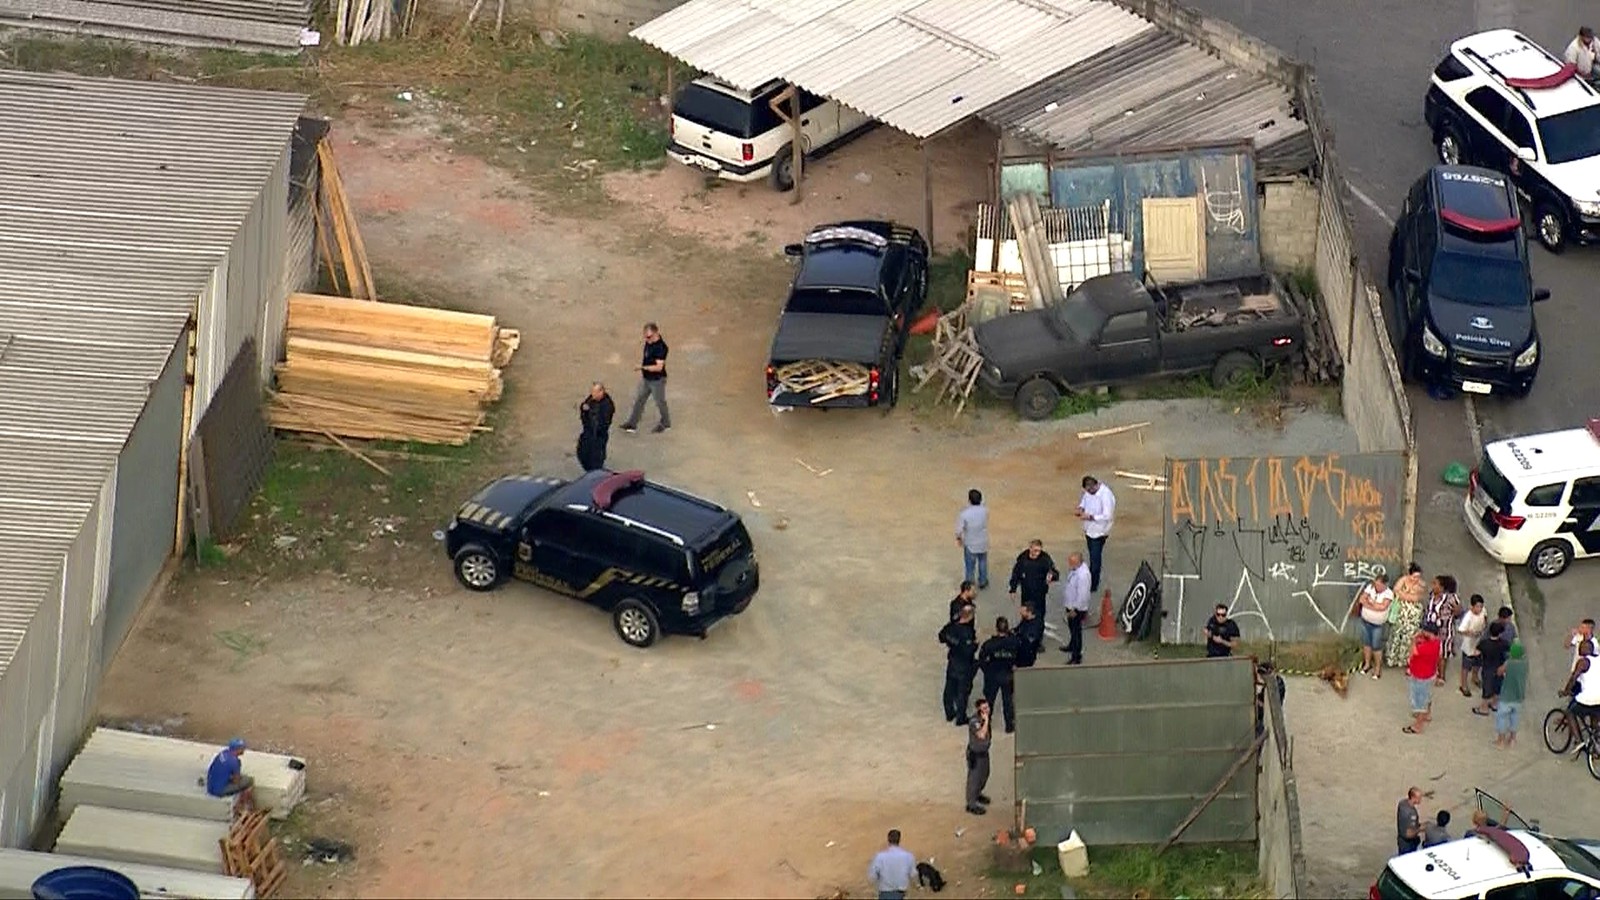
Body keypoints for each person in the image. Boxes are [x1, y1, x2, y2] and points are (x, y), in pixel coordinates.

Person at [619, 322, 670, 434]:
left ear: (656, 333)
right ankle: (632, 424)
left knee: (660, 402)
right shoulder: (649, 342)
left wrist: (642, 367)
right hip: (647, 379)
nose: (647, 339)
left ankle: (666, 422)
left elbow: (659, 367)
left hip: (657, 380)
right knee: (639, 400)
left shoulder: (661, 348)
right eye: (645, 336)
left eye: (649, 337)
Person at [939, 603, 979, 725]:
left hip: (952, 661)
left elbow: (942, 636)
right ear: (970, 617)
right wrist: (975, 644)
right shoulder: (967, 632)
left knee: (949, 688)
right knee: (962, 692)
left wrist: (952, 643)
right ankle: (960, 718)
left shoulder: (952, 626)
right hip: (963, 665)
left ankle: (949, 713)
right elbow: (968, 651)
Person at [979, 617, 1020, 734]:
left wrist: (987, 671)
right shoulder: (1014, 643)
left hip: (992, 675)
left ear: (996, 629)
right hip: (1007, 675)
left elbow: (981, 660)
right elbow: (1021, 656)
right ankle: (1009, 725)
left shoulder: (989, 644)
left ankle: (986, 723)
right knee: (1008, 701)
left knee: (989, 701)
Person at [1075, 476, 1116, 593]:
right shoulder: (1089, 492)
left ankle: (1093, 584)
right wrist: (1081, 508)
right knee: (1092, 555)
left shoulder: (1106, 496)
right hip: (1089, 530)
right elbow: (1085, 500)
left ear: (1094, 485)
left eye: (1089, 490)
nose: (1088, 493)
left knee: (1095, 559)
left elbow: (1107, 515)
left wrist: (1091, 517)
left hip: (1100, 532)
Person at [1385, 562, 1427, 668]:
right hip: (1401, 615)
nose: (1416, 579)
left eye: (1418, 577)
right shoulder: (1403, 580)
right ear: (1409, 574)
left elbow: (1416, 598)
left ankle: (1405, 660)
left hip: (1413, 617)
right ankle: (1392, 659)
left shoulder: (1421, 584)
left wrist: (1403, 594)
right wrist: (1405, 595)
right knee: (1396, 635)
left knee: (1409, 638)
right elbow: (1395, 590)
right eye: (1414, 576)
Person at [1422, 576, 1462, 686]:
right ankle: (1432, 671)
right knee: (1431, 651)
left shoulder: (1451, 598)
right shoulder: (1432, 595)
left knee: (1442, 654)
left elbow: (1458, 612)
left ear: (1442, 587)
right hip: (1430, 628)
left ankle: (1441, 676)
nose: (1433, 585)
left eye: (1435, 584)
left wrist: (1456, 610)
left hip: (1444, 631)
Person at [1404, 624, 1443, 735]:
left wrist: (1413, 640)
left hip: (1421, 676)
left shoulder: (1426, 647)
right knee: (1427, 696)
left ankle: (1418, 726)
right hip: (1430, 674)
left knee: (1420, 701)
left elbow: (1413, 653)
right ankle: (1427, 714)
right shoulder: (1436, 643)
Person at [1008, 540, 1058, 620]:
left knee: (1039, 615)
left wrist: (1052, 576)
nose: (1037, 553)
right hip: (1026, 594)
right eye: (1035, 550)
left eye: (1039, 551)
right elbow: (1016, 573)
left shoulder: (1045, 559)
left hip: (1040, 594)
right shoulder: (1023, 559)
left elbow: (1054, 572)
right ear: (1030, 548)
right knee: (1025, 614)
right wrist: (1013, 589)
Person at [1356, 574, 1393, 678]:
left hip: (1377, 625)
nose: (1376, 587)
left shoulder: (1389, 593)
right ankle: (1367, 664)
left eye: (1379, 585)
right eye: (1376, 584)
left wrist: (1370, 603)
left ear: (1385, 585)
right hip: (1365, 621)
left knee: (1376, 647)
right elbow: (1362, 599)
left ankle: (1377, 669)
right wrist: (1372, 604)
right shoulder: (1370, 587)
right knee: (1366, 644)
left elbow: (1382, 607)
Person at [1494, 640, 1528, 749]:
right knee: (1515, 717)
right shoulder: (1525, 663)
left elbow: (1500, 672)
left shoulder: (1509, 663)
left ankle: (1501, 741)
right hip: (1519, 695)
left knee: (1502, 717)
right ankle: (1513, 739)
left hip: (1507, 695)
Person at [575, 382, 615, 472]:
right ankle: (588, 469)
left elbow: (603, 422)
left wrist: (590, 412)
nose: (593, 394)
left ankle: (596, 472)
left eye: (595, 392)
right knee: (582, 452)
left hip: (598, 435)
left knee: (596, 457)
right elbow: (584, 408)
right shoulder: (591, 399)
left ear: (601, 392)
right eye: (592, 392)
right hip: (588, 432)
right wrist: (583, 409)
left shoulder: (607, 405)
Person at [867, 829, 917, 900]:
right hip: (901, 894)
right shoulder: (908, 856)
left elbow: (872, 877)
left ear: (888, 840)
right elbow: (913, 875)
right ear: (899, 840)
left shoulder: (879, 857)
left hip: (884, 893)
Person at [1060, 551, 1091, 664]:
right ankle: (1072, 645)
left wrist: (1075, 609)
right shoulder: (1076, 570)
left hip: (1076, 608)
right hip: (1071, 605)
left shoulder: (1083, 576)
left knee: (1076, 631)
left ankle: (1076, 656)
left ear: (1078, 562)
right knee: (1072, 629)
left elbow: (1083, 595)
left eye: (1072, 562)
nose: (1069, 564)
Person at [956, 489, 991, 589]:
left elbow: (959, 529)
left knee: (970, 567)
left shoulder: (965, 514)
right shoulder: (985, 510)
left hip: (970, 543)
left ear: (969, 500)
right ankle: (983, 581)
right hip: (983, 541)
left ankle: (970, 585)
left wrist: (959, 538)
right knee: (982, 562)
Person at [1564, 639, 1600, 735]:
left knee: (1569, 712)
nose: (1579, 648)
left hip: (1588, 699)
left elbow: (1573, 678)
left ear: (1587, 649)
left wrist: (1566, 691)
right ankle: (1594, 745)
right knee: (1594, 721)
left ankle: (1579, 741)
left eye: (1581, 646)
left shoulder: (1583, 662)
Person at [965, 697, 993, 816]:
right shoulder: (975, 721)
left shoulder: (985, 718)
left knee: (985, 774)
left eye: (988, 707)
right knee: (974, 778)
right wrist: (986, 721)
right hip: (976, 754)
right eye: (984, 708)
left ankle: (978, 794)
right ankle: (971, 804)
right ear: (979, 710)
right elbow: (981, 735)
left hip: (984, 752)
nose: (987, 710)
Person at [1473, 621, 1509, 716]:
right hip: (1499, 668)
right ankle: (1495, 704)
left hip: (1488, 668)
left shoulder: (1484, 644)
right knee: (1497, 686)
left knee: (1487, 687)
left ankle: (1484, 708)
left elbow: (1476, 653)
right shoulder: (1504, 643)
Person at [1457, 595, 1488, 696]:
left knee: (1478, 663)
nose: (1479, 609)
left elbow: (1485, 618)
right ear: (1472, 606)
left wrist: (1483, 628)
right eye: (1477, 607)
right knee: (1466, 666)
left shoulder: (1483, 611)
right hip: (1469, 645)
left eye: (1481, 606)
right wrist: (1471, 633)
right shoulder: (1468, 617)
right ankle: (1464, 685)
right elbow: (1461, 630)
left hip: (1479, 643)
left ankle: (1475, 678)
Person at [1015, 603, 1044, 668]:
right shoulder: (1025, 619)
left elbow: (1029, 641)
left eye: (1023, 611)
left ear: (1029, 612)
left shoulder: (1035, 626)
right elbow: (1017, 629)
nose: (1020, 612)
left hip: (1026, 654)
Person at [1397, 787, 1423, 854]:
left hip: (1401, 840)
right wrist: (1421, 829)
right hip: (1408, 844)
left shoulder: (1402, 803)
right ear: (1413, 797)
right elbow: (1408, 834)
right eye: (1419, 797)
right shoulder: (1411, 813)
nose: (1421, 799)